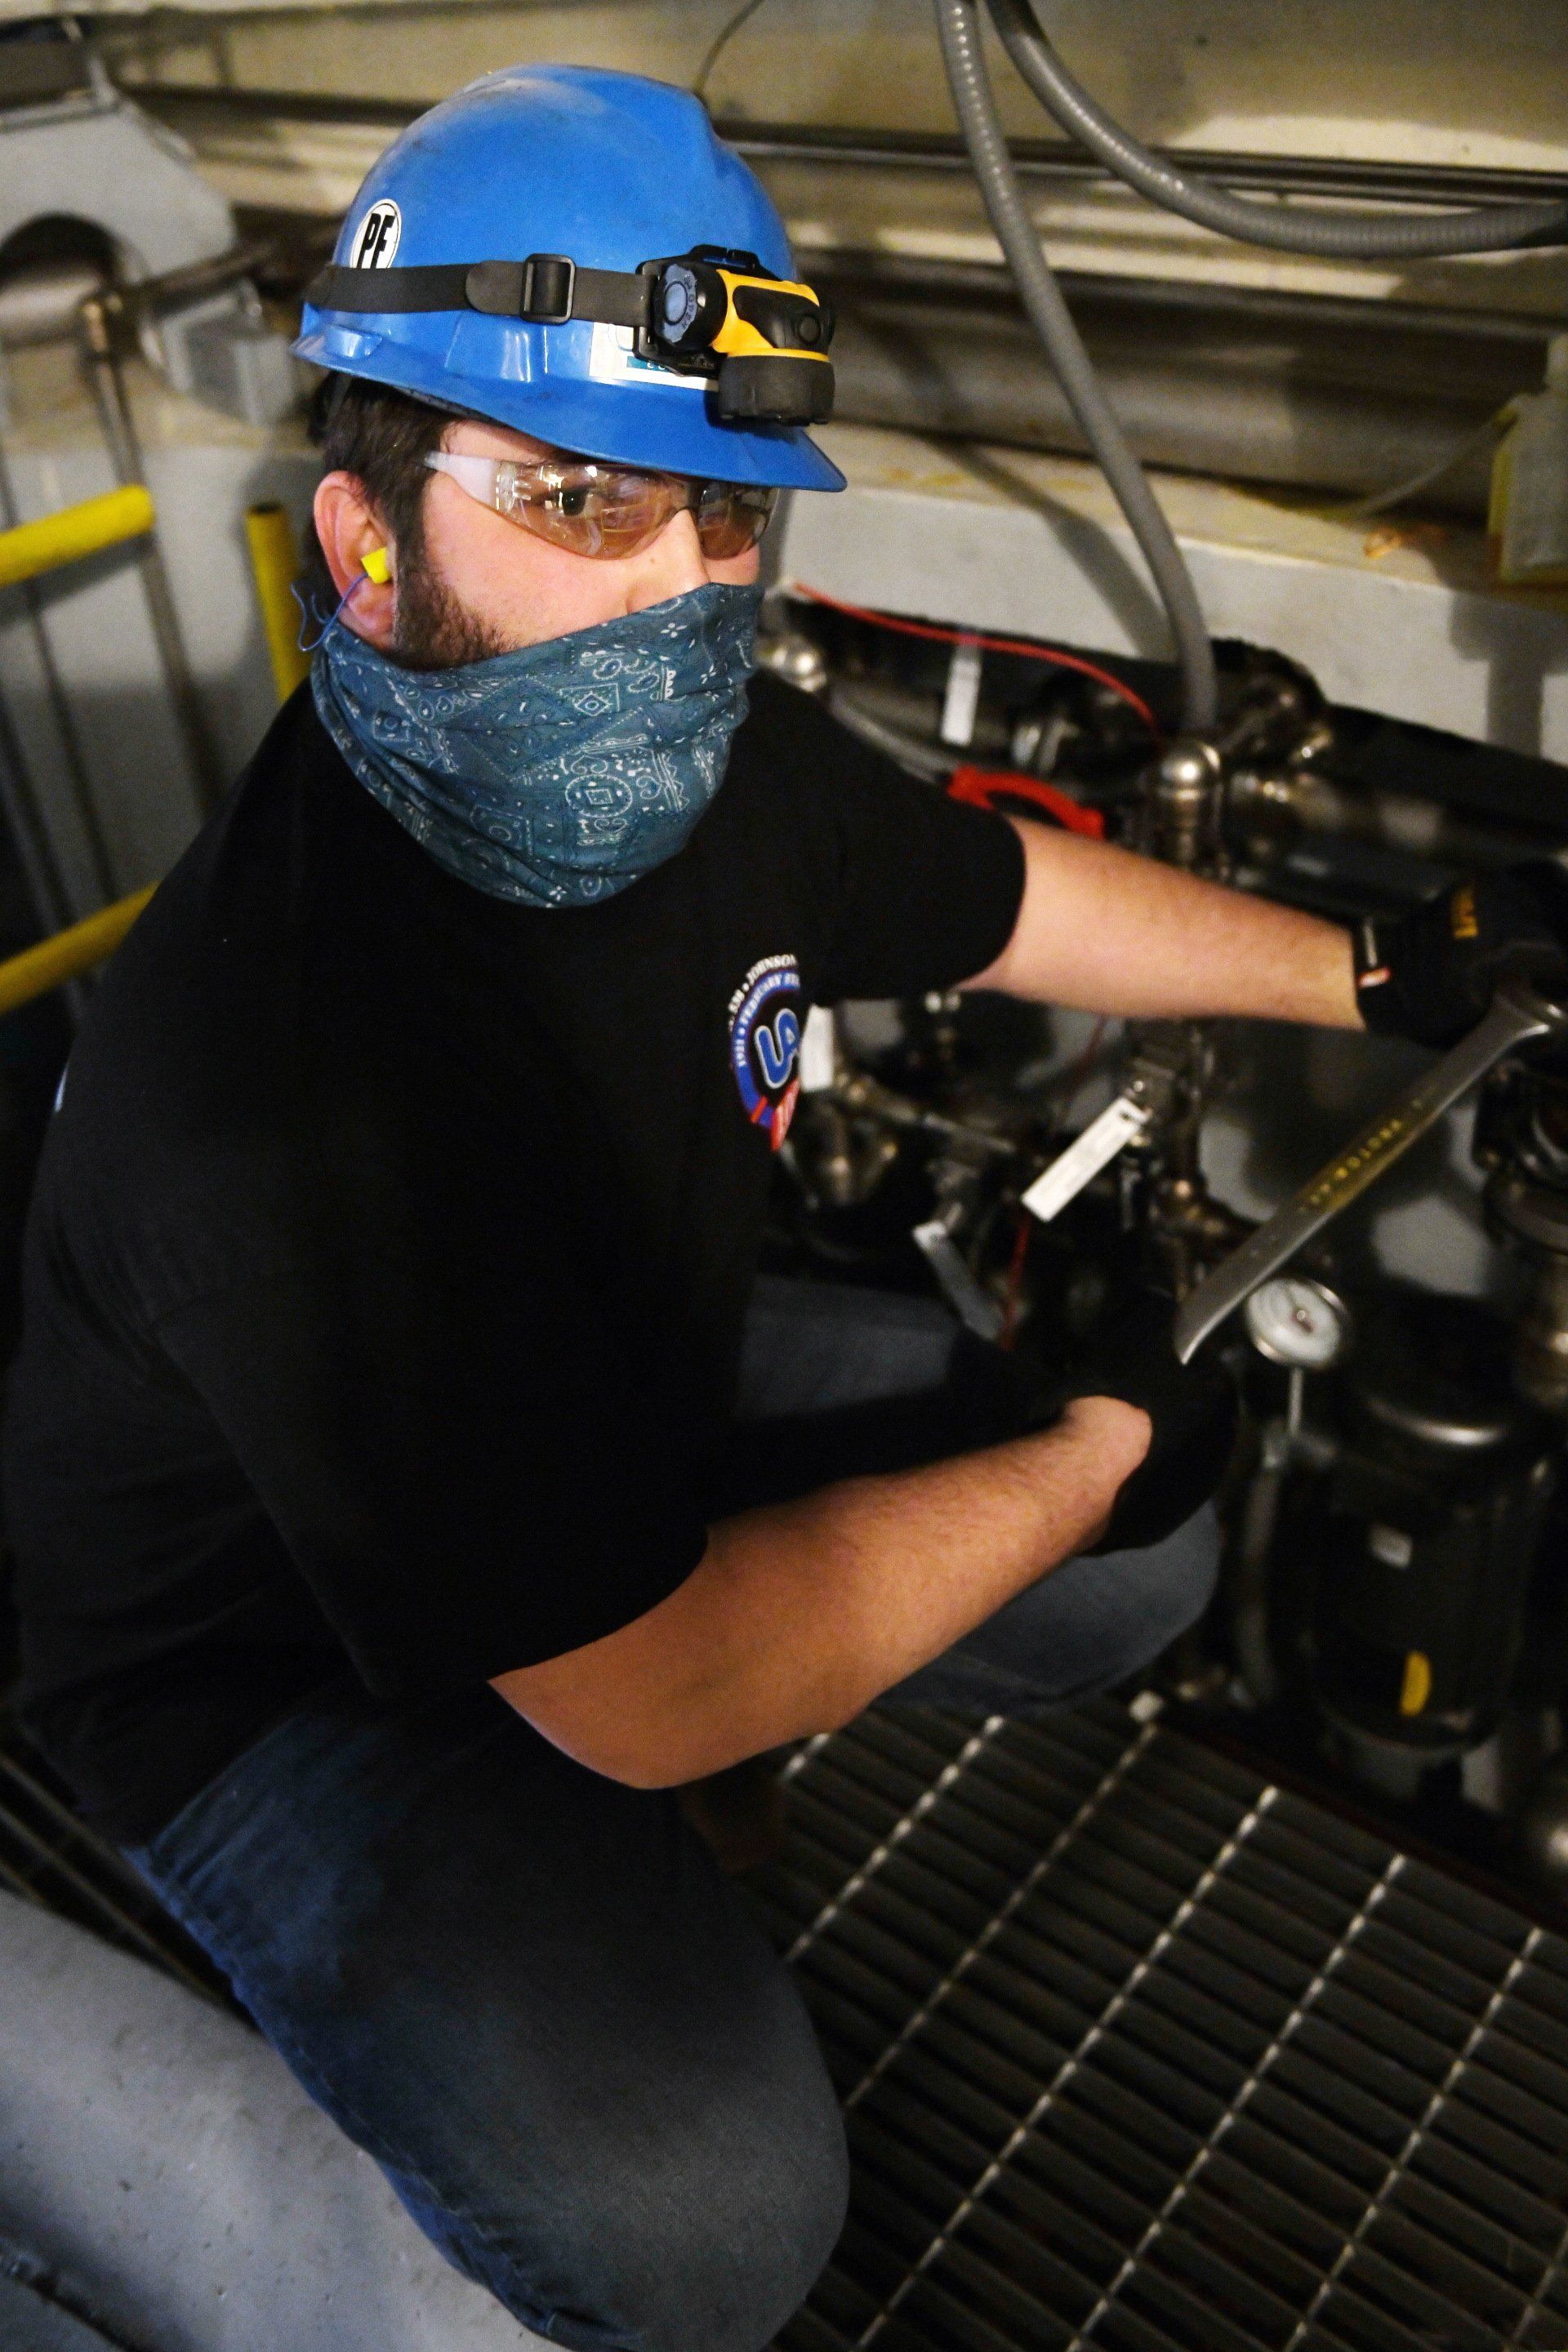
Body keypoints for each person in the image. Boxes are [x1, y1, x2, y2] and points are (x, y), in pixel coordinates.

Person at [5, 60, 1566, 2352]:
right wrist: (1096, 1433)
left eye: (730, 517)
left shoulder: (686, 757)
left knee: (1124, 1571)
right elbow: (663, 1686)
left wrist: (1382, 966)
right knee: (712, 2221)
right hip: (257, 1663)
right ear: (359, 531)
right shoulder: (286, 1098)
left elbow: (996, 894)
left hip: (604, 1406)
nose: (686, 592)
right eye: (582, 496)